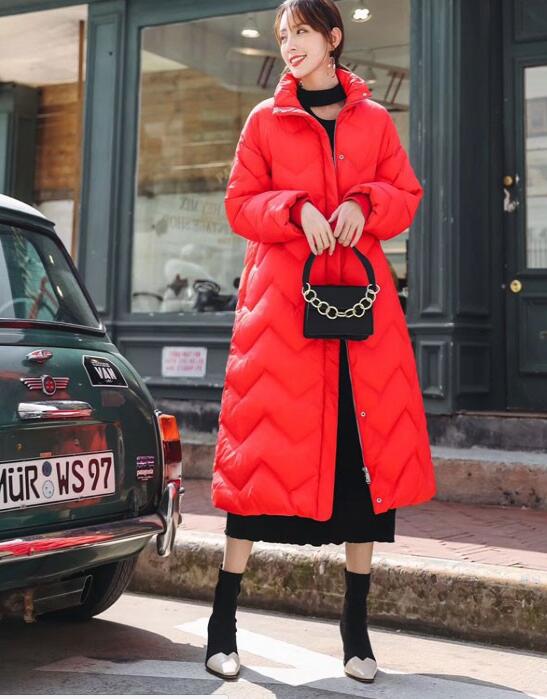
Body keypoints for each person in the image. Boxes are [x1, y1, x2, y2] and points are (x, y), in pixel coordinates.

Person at [205, 0, 437, 684]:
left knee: (362, 473)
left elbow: (405, 193)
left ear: (333, 38)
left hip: (359, 321)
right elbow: (238, 203)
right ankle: (222, 624)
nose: (290, 44)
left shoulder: (374, 121)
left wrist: (363, 204)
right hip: (281, 321)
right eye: (284, 34)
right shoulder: (264, 120)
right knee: (257, 470)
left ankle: (355, 630)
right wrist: (294, 207)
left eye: (302, 31)